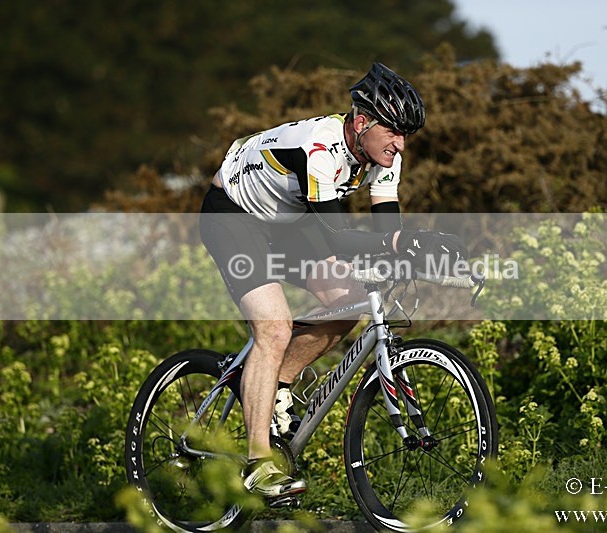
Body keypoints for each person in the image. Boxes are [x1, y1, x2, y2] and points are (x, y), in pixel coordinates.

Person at [199, 63, 466, 500]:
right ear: (362, 123)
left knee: (353, 301)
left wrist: (416, 255)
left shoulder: (382, 154)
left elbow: (384, 233)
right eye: (394, 132)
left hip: (288, 217)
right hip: (234, 215)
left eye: (405, 136)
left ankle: (276, 387)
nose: (400, 145)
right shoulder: (318, 149)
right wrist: (402, 244)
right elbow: (341, 239)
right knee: (274, 327)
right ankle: (257, 463)